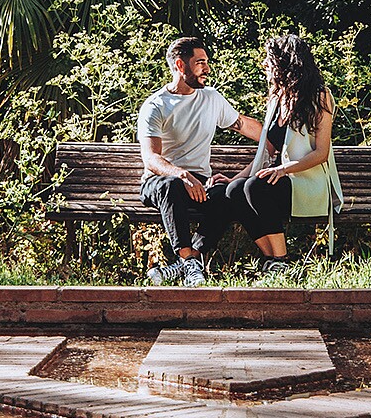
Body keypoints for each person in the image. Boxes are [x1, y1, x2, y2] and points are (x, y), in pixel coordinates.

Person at [137, 36, 264, 285]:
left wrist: (282, 137)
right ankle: (187, 258)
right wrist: (181, 174)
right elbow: (151, 158)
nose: (207, 68)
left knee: (228, 195)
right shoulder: (155, 106)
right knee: (171, 185)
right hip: (160, 183)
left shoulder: (211, 98)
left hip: (199, 183)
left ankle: (189, 262)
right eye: (200, 62)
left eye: (206, 62)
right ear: (180, 65)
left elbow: (244, 125)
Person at [222, 34, 343, 278]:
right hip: (281, 179)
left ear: (284, 63)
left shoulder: (320, 96)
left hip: (308, 181)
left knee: (257, 186)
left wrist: (283, 170)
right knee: (234, 190)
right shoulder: (277, 99)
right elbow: (267, 150)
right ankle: (273, 260)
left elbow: (321, 153)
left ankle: (282, 260)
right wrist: (235, 178)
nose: (265, 66)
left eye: (269, 61)